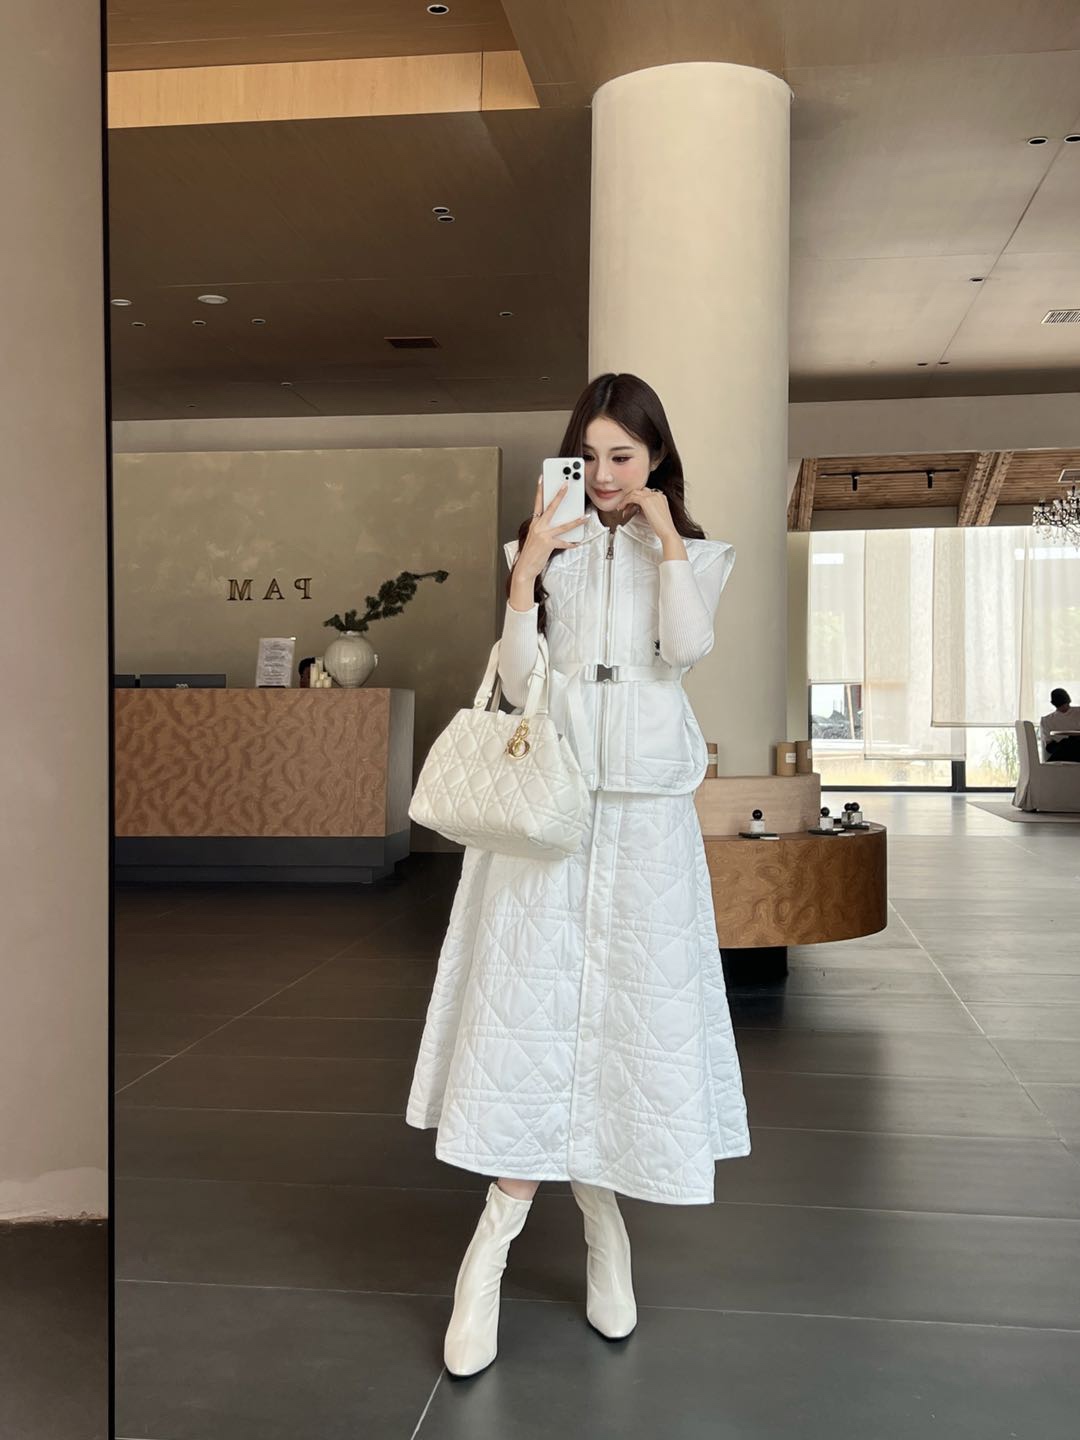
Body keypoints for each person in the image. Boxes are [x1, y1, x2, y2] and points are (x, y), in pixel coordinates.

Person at [405, 372, 751, 1378]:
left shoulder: (696, 553)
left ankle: (606, 1226)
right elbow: (520, 682)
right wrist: (526, 575)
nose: (602, 475)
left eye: (622, 457)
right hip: (546, 806)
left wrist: (666, 540)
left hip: (644, 812)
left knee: (625, 1020)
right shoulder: (542, 545)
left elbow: (684, 649)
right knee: (528, 1014)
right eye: (589, 455)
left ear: (655, 458)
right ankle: (489, 1253)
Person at [1040, 687, 1080, 762]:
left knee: (1071, 742)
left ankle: (1049, 765)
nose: (1064, 708)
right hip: (1058, 746)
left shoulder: (1078, 712)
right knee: (1066, 743)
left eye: (1065, 704)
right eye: (1061, 706)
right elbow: (1048, 743)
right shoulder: (1047, 720)